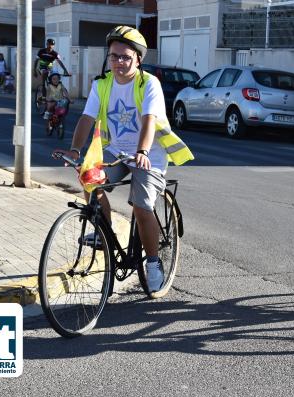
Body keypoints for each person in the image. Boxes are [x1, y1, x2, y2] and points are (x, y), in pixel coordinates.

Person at [58, 26, 193, 293]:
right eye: (113, 56)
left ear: (138, 59)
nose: (118, 62)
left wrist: (142, 152)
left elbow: (149, 121)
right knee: (89, 180)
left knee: (142, 207)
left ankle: (153, 263)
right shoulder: (102, 84)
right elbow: (86, 118)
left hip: (149, 154)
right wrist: (75, 150)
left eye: (125, 57)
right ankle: (103, 231)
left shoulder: (148, 83)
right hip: (117, 151)